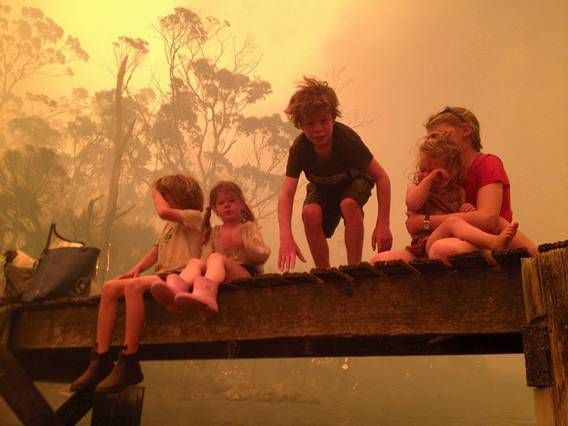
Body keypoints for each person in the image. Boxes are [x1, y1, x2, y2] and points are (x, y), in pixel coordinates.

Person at [70, 174, 204, 393]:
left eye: (165, 196)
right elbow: (155, 250)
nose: (160, 201)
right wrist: (137, 269)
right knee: (110, 288)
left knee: (134, 287)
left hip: (182, 277)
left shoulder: (195, 217)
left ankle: (129, 359)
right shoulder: (170, 226)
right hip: (163, 275)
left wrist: (156, 191)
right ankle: (100, 358)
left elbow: (162, 211)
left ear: (179, 195)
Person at [277, 77, 392, 271]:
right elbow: (286, 193)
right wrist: (286, 237)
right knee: (309, 212)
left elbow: (382, 177)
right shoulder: (300, 148)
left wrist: (383, 223)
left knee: (348, 204)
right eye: (310, 124)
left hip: (355, 180)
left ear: (333, 117)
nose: (318, 129)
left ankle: (354, 268)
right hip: (323, 187)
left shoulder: (346, 139)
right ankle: (325, 272)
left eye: (324, 120)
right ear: (301, 125)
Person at [402, 106, 538, 263]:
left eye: (439, 135)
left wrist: (423, 222)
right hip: (443, 238)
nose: (435, 142)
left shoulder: (487, 163)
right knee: (381, 259)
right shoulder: (442, 175)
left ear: (466, 131)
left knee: (443, 249)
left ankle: (519, 258)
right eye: (430, 138)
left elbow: (487, 219)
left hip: (486, 236)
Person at [371, 133, 519, 264]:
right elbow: (412, 203)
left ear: (451, 173)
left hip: (441, 240)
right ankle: (491, 243)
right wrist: (428, 179)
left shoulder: (458, 192)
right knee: (379, 261)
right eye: (423, 170)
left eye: (435, 172)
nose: (426, 174)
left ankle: (492, 242)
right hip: (419, 247)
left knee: (453, 222)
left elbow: (461, 214)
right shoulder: (415, 187)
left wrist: (466, 208)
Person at [152, 180, 270, 313]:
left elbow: (260, 256)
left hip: (246, 273)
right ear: (215, 210)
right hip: (221, 274)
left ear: (241, 204)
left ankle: (206, 292)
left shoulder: (248, 227)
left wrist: (249, 245)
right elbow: (205, 258)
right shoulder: (215, 232)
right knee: (195, 261)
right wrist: (199, 267)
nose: (227, 205)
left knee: (216, 258)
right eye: (221, 203)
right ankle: (178, 287)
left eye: (232, 201)